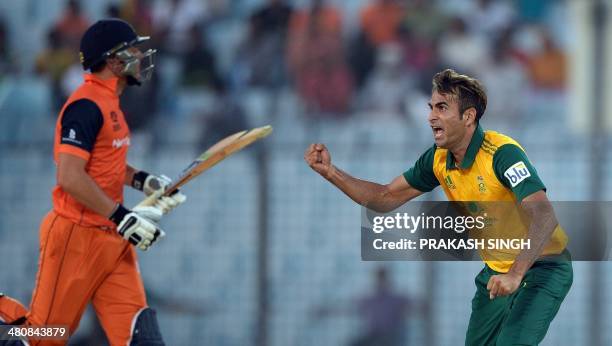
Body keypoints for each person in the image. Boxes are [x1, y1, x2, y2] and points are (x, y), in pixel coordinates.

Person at [304, 69, 572, 345]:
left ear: (468, 117)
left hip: (543, 267)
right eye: (431, 107)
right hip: (497, 274)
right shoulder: (438, 160)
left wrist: (516, 273)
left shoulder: (502, 153)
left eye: (442, 108)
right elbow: (384, 197)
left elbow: (544, 215)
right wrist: (331, 172)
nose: (431, 116)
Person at [0, 19, 186, 345]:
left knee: (140, 338)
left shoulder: (110, 102)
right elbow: (70, 176)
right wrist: (120, 215)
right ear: (112, 60)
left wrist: (144, 180)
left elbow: (106, 162)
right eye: (132, 50)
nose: (141, 56)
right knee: (44, 337)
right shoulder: (86, 105)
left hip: (110, 239)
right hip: (76, 236)